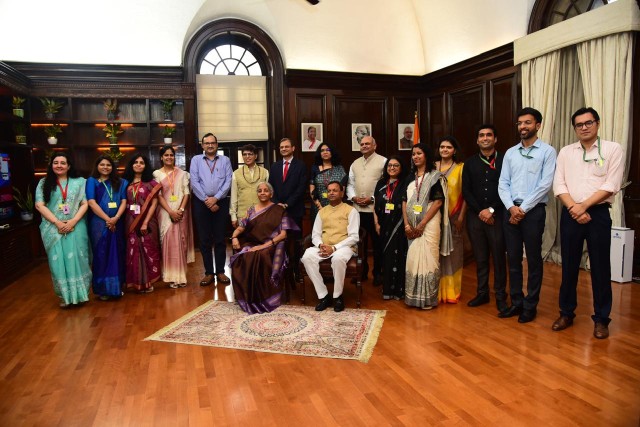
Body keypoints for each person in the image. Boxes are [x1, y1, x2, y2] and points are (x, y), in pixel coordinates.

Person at [552, 107, 624, 339]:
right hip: (571, 213)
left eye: (588, 123)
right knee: (569, 266)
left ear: (597, 124)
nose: (584, 127)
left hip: (598, 214)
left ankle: (602, 319)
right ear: (574, 128)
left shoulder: (613, 149)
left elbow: (611, 185)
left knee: (601, 268)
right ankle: (566, 313)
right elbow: (559, 185)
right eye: (579, 124)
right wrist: (575, 208)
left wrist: (584, 207)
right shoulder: (566, 152)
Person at [498, 107, 556, 323]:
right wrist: (512, 208)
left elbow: (545, 184)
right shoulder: (510, 152)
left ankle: (531, 305)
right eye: (520, 123)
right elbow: (503, 183)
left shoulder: (548, 152)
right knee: (512, 259)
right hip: (510, 211)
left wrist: (523, 209)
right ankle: (517, 302)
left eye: (528, 123)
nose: (523, 126)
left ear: (538, 125)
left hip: (533, 212)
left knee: (533, 259)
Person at [229, 182, 298, 314]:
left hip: (272, 244)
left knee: (261, 255)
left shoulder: (279, 210)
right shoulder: (251, 210)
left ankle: (265, 298)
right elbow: (241, 227)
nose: (262, 193)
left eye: (266, 190)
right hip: (252, 242)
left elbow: (283, 234)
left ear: (271, 193)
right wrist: (234, 237)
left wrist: (263, 246)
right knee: (244, 256)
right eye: (260, 191)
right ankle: (248, 297)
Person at [35, 153, 92, 308]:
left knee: (79, 259)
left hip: (76, 226)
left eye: (62, 162)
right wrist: (58, 223)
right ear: (51, 165)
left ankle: (81, 295)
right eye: (55, 162)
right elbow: (40, 205)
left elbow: (85, 204)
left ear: (69, 166)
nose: (59, 165)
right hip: (53, 229)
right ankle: (65, 297)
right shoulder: (43, 183)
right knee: (57, 262)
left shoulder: (80, 182)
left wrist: (73, 221)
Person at [462, 125, 508, 314]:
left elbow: (508, 187)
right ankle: (482, 293)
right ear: (477, 140)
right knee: (480, 258)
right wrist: (481, 211)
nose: (485, 138)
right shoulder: (470, 163)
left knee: (498, 257)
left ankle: (500, 296)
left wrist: (490, 210)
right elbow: (466, 191)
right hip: (475, 217)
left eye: (489, 135)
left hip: (497, 216)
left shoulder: (505, 160)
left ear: (495, 139)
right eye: (481, 135)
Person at [403, 143, 451, 310]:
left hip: (429, 224)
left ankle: (428, 299)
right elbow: (403, 201)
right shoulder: (410, 177)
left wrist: (422, 224)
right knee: (412, 259)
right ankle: (413, 297)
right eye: (413, 154)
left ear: (426, 156)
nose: (415, 157)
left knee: (429, 259)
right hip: (412, 225)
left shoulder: (435, 177)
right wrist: (407, 224)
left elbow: (438, 202)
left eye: (419, 153)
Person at [301, 181, 360, 312]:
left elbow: (354, 237)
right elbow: (315, 234)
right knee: (307, 257)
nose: (331, 193)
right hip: (324, 246)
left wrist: (334, 248)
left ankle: (338, 296)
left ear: (342, 193)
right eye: (329, 191)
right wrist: (321, 245)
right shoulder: (322, 212)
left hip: (344, 247)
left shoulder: (351, 211)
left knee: (338, 259)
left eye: (335, 190)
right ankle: (323, 296)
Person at [190, 133, 232, 286]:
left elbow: (228, 181)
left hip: (220, 203)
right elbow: (194, 182)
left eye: (212, 143)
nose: (210, 145)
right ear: (202, 145)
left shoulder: (225, 160)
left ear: (217, 144)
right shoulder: (196, 160)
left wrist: (216, 198)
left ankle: (220, 272)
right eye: (206, 143)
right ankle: (209, 273)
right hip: (201, 203)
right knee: (204, 239)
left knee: (220, 239)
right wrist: (207, 200)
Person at [86, 155, 128, 300]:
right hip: (98, 224)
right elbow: (91, 202)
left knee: (117, 253)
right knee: (101, 254)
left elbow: (124, 201)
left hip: (117, 223)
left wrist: (115, 219)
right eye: (102, 164)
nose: (105, 167)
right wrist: (107, 219)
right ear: (97, 166)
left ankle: (116, 287)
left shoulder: (121, 182)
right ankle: (103, 289)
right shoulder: (91, 181)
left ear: (113, 167)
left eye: (108, 165)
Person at [346, 135, 387, 284]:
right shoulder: (354, 163)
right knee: (359, 244)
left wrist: (373, 199)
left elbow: (387, 185)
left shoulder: (383, 161)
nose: (364, 146)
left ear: (374, 146)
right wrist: (353, 197)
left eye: (367, 144)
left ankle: (378, 274)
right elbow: (350, 184)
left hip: (376, 212)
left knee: (378, 244)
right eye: (362, 144)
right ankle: (360, 273)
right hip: (357, 211)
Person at [156, 145, 195, 288]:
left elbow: (186, 193)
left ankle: (181, 277)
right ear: (161, 157)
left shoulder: (182, 173)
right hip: (165, 214)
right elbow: (158, 197)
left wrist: (181, 209)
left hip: (180, 213)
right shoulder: (157, 174)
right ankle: (171, 277)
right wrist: (171, 212)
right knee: (168, 244)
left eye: (171, 155)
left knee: (180, 243)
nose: (169, 157)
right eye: (166, 155)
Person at [122, 154, 162, 293]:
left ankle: (149, 282)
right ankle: (135, 282)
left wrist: (145, 222)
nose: (138, 164)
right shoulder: (125, 183)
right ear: (131, 165)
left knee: (148, 250)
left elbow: (154, 203)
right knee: (133, 251)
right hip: (130, 221)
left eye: (142, 162)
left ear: (146, 166)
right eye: (136, 162)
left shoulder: (150, 183)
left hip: (148, 221)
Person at [269, 138, 307, 277]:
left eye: (286, 146)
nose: (284, 149)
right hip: (278, 212)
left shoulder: (300, 165)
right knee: (280, 241)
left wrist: (287, 204)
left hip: (295, 210)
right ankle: (281, 269)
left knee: (296, 242)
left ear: (293, 148)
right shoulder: (275, 166)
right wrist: (278, 203)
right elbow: (270, 188)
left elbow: (301, 188)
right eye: (281, 147)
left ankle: (296, 269)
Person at [436, 136, 467, 304]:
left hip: (454, 218)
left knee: (453, 255)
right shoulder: (433, 167)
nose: (445, 150)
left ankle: (451, 292)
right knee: (436, 254)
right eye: (442, 147)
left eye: (448, 147)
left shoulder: (461, 168)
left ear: (454, 150)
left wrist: (461, 217)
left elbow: (466, 195)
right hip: (434, 218)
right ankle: (437, 291)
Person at [373, 156, 408, 300]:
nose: (392, 168)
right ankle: (387, 289)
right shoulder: (381, 183)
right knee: (386, 257)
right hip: (383, 226)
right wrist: (376, 223)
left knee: (398, 257)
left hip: (399, 226)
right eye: (389, 165)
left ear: (401, 168)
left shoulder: (405, 183)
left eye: (396, 165)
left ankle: (398, 290)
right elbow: (375, 206)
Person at [230, 144, 269, 229]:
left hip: (261, 214)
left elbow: (269, 196)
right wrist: (233, 216)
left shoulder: (265, 172)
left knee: (261, 241)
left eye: (250, 154)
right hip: (243, 215)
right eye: (244, 154)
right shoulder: (236, 173)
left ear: (255, 156)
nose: (247, 157)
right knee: (245, 241)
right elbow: (234, 196)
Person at [309, 142, 347, 221]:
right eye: (322, 150)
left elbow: (342, 190)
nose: (325, 152)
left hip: (336, 207)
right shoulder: (314, 168)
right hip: (318, 207)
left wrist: (335, 206)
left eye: (328, 150)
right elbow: (311, 189)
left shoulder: (339, 168)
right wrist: (319, 207)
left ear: (332, 152)